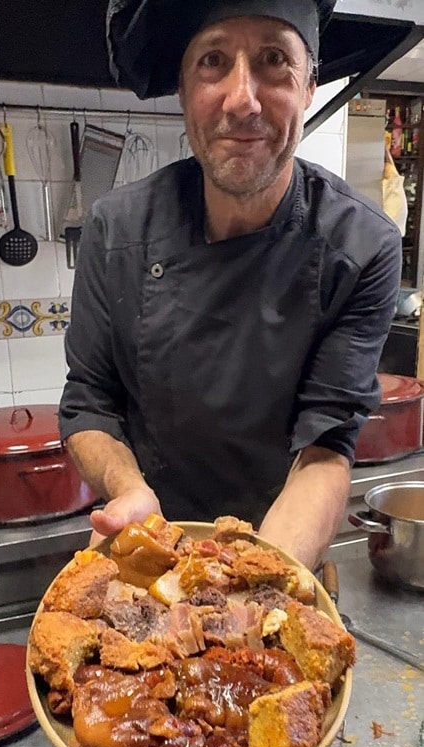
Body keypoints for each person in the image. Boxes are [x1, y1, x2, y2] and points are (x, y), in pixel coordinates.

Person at [58, 0, 401, 569]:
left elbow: (325, 448)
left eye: (274, 60)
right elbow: (89, 402)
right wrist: (128, 490)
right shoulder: (115, 231)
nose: (243, 100)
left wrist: (259, 583)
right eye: (213, 61)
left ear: (309, 87)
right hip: (149, 545)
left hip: (281, 544)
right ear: (183, 89)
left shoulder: (362, 249)